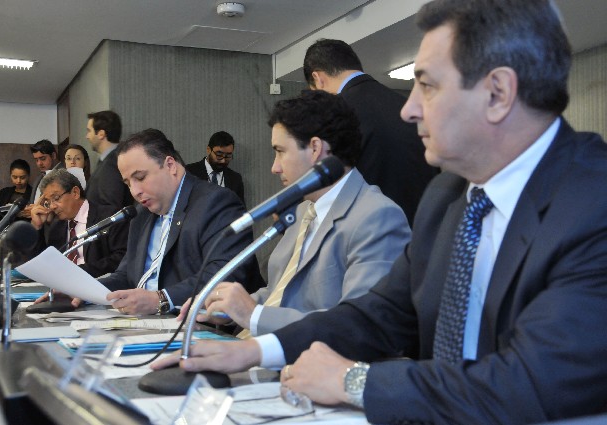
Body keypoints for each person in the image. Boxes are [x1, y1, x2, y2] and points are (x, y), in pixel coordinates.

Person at [152, 0, 607, 423]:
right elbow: (380, 314)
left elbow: (533, 381)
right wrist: (255, 351)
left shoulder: (594, 202)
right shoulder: (448, 196)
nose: (409, 109)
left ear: (498, 93)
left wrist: (355, 381)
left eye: (426, 86)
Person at [191, 90, 410, 337]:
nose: (274, 167)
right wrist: (224, 308)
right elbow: (279, 294)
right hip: (259, 346)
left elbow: (361, 326)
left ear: (315, 148)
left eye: (280, 151)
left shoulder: (377, 217)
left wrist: (253, 315)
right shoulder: (303, 210)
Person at [99, 129, 262, 316]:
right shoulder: (141, 214)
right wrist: (85, 290)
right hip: (143, 322)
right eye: (128, 183)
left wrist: (160, 300)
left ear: (170, 165)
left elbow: (224, 276)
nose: (135, 191)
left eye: (140, 178)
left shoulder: (217, 202)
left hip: (196, 324)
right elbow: (127, 275)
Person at [304, 38, 438, 225]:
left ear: (318, 79)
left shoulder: (335, 115)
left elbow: (331, 187)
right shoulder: (406, 105)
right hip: (425, 226)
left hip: (370, 229)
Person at [29, 168, 127, 278]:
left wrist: (78, 272)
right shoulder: (57, 227)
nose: (52, 206)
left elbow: (121, 258)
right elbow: (43, 265)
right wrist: (37, 227)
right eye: (48, 202)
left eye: (56, 198)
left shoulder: (109, 217)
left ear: (75, 192)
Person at [85, 110, 133, 216]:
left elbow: (111, 208)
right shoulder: (107, 161)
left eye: (89, 131)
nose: (87, 136)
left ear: (101, 134)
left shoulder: (113, 163)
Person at [185, 131, 245, 204]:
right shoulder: (189, 172)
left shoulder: (235, 179)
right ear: (208, 150)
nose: (223, 160)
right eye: (219, 155)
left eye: (228, 156)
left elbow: (240, 209)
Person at [0, 159, 32, 223]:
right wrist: (6, 212)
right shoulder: (4, 192)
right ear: (10, 176)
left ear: (28, 176)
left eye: (22, 177)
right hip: (6, 228)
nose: (18, 181)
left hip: (25, 227)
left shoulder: (34, 193)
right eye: (15, 177)